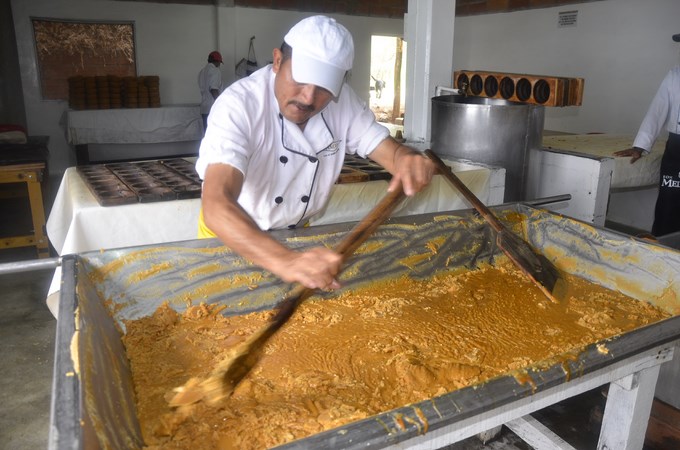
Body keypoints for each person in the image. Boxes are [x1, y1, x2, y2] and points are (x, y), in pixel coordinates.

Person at [196, 15, 435, 291]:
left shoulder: (343, 103)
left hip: (296, 236)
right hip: (230, 239)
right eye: (301, 79)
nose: (308, 98)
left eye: (323, 87)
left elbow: (391, 153)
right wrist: (286, 261)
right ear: (277, 61)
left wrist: (406, 159)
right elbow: (216, 203)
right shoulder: (239, 105)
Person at [614, 33, 680, 237]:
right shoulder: (675, 75)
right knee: (669, 202)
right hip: (677, 149)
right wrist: (640, 146)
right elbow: (657, 111)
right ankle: (662, 246)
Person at [198, 50, 224, 132]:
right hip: (213, 108)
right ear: (217, 61)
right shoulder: (215, 71)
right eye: (219, 62)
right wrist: (220, 104)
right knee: (216, 134)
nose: (219, 65)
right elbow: (213, 89)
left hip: (204, 108)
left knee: (207, 134)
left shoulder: (202, 71)